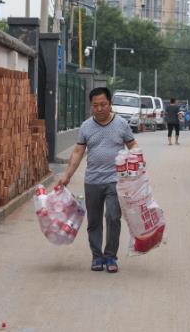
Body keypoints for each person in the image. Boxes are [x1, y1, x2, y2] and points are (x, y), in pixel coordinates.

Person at [58, 87, 138, 274]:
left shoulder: (121, 124)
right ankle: (97, 256)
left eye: (103, 104)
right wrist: (67, 175)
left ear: (110, 104)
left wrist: (137, 158)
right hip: (92, 180)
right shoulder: (86, 126)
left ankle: (110, 256)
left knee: (112, 217)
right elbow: (78, 151)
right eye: (95, 105)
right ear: (91, 106)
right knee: (94, 221)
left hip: (115, 180)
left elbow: (132, 144)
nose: (100, 108)